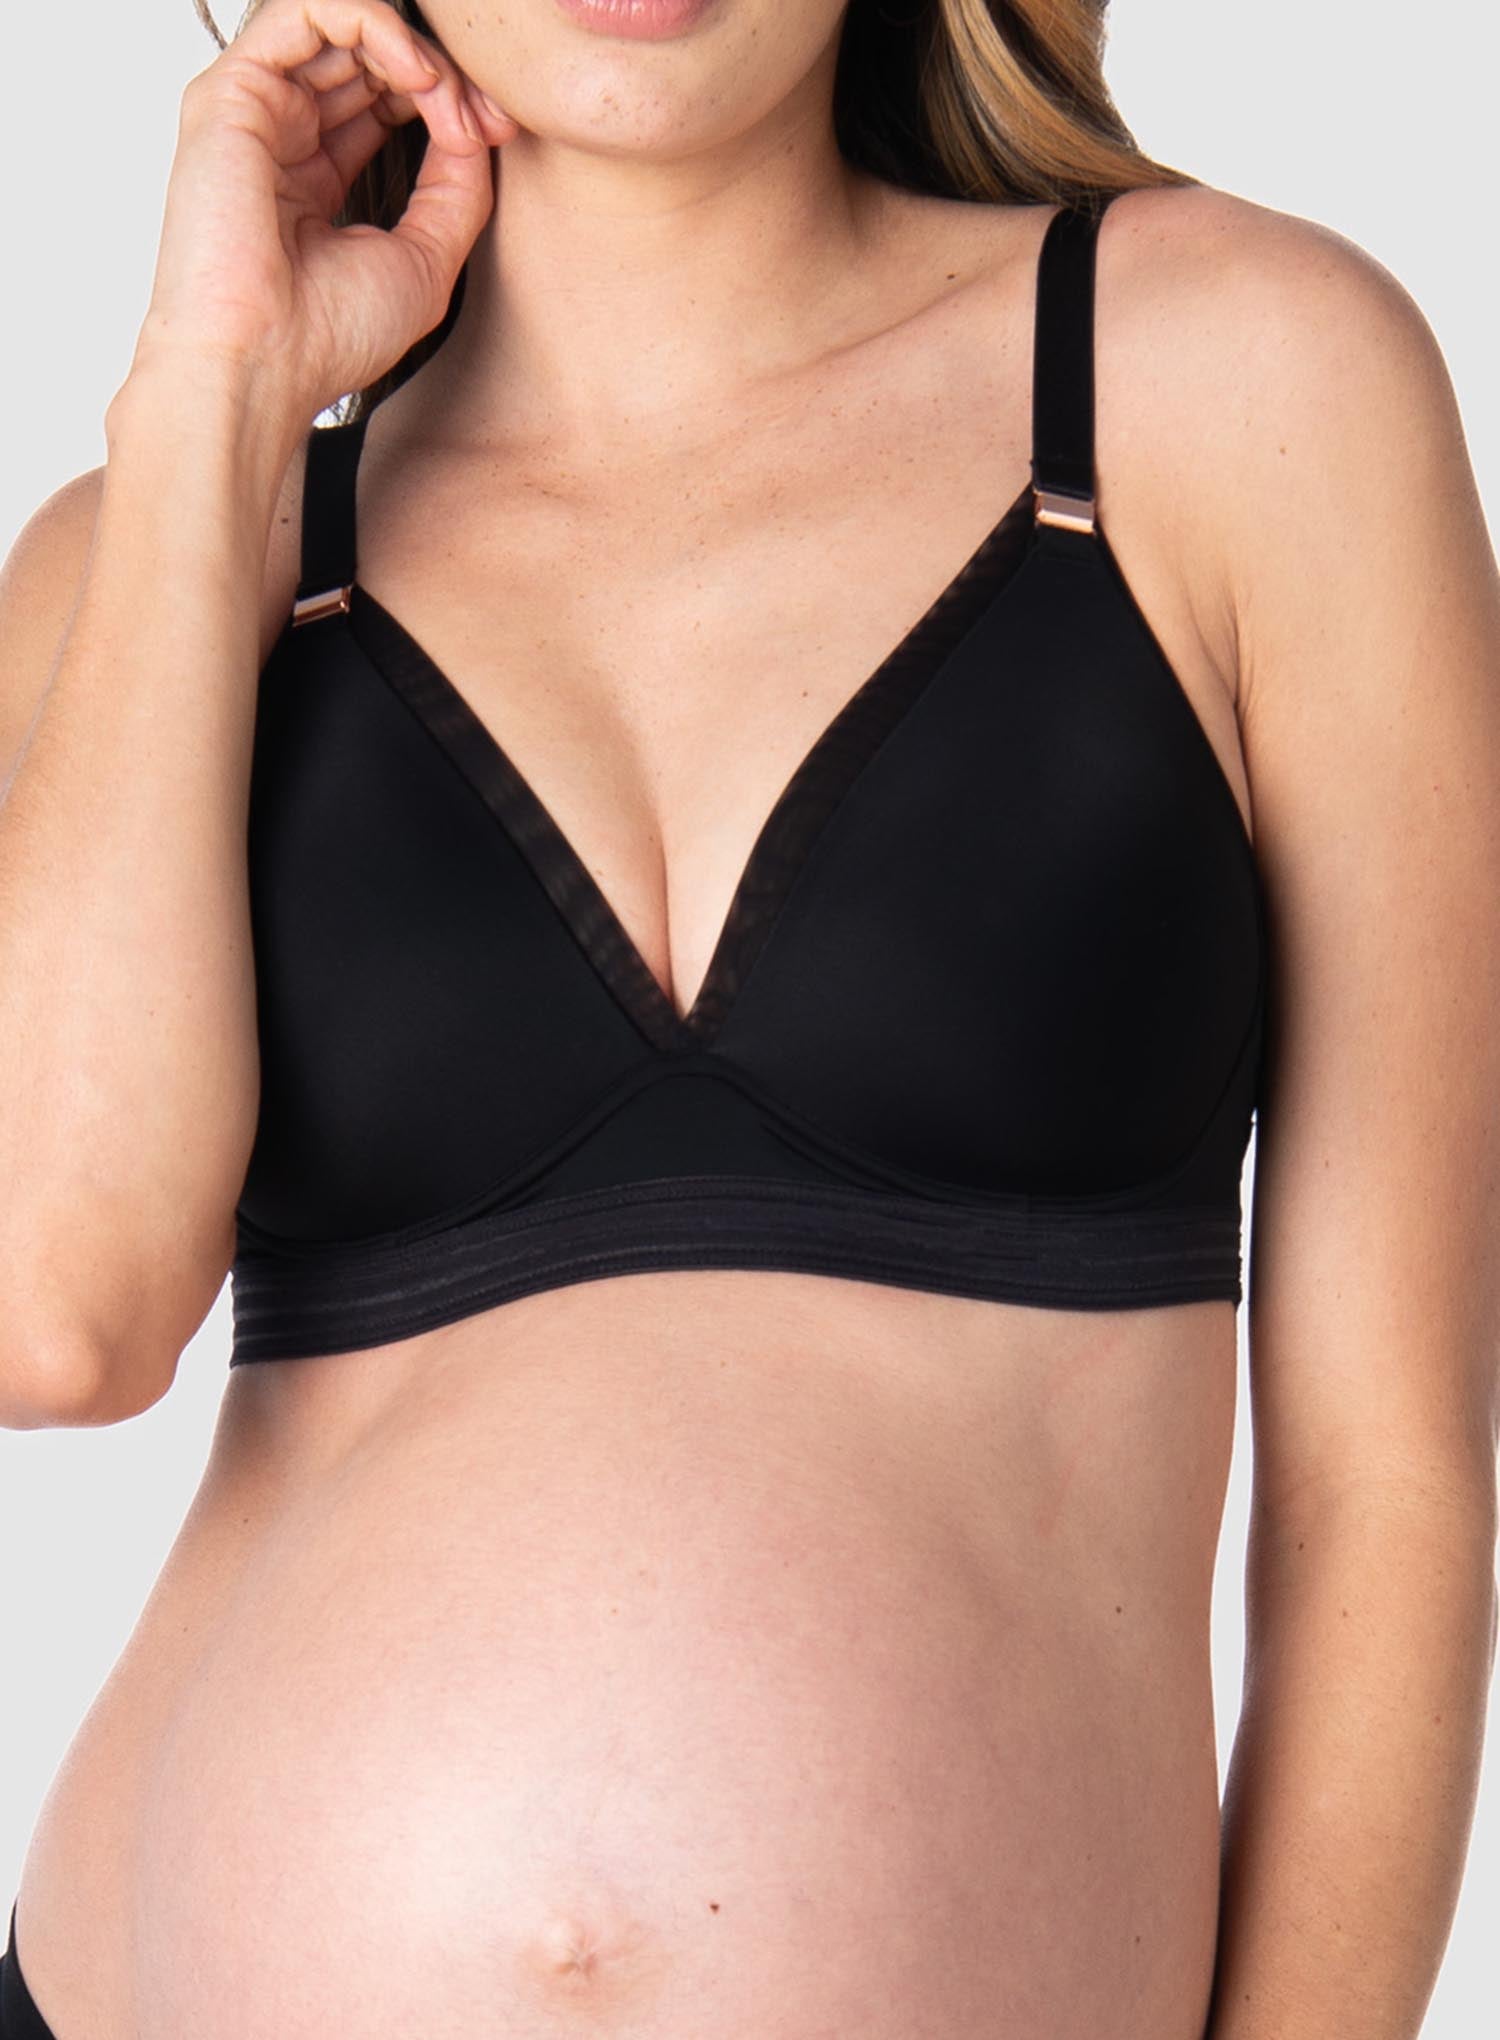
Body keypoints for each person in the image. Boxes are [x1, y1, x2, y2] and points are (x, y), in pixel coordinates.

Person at [1, 0, 1497, 2033]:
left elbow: (1386, 1479)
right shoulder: (160, 559)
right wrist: (209, 401)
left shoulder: (1238, 377)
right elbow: (54, 1316)